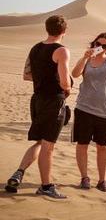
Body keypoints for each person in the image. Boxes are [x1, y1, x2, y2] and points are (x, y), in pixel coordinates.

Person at [6, 15, 72, 198]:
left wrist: (44, 79)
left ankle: (18, 173)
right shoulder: (62, 51)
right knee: (48, 145)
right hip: (53, 101)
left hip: (37, 100)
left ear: (47, 29)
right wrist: (67, 86)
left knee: (40, 141)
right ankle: (46, 186)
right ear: (64, 31)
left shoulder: (35, 48)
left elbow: (27, 75)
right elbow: (66, 82)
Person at [71, 32, 106, 191]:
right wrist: (84, 57)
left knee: (103, 146)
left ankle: (102, 181)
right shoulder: (87, 60)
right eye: (97, 44)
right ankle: (84, 178)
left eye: (105, 45)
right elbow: (74, 74)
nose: (100, 47)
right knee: (82, 144)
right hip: (84, 108)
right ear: (93, 43)